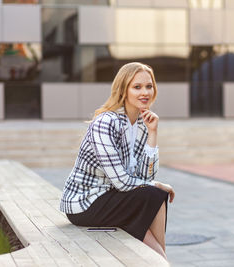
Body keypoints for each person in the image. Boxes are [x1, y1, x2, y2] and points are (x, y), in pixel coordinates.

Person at [60, 62, 175, 260]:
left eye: (149, 86)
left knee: (156, 195)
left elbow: (144, 176)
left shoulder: (141, 123)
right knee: (155, 193)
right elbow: (123, 182)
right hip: (86, 202)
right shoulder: (105, 122)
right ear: (124, 90)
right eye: (137, 87)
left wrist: (152, 133)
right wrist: (156, 184)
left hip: (114, 197)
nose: (145, 92)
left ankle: (161, 260)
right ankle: (162, 261)